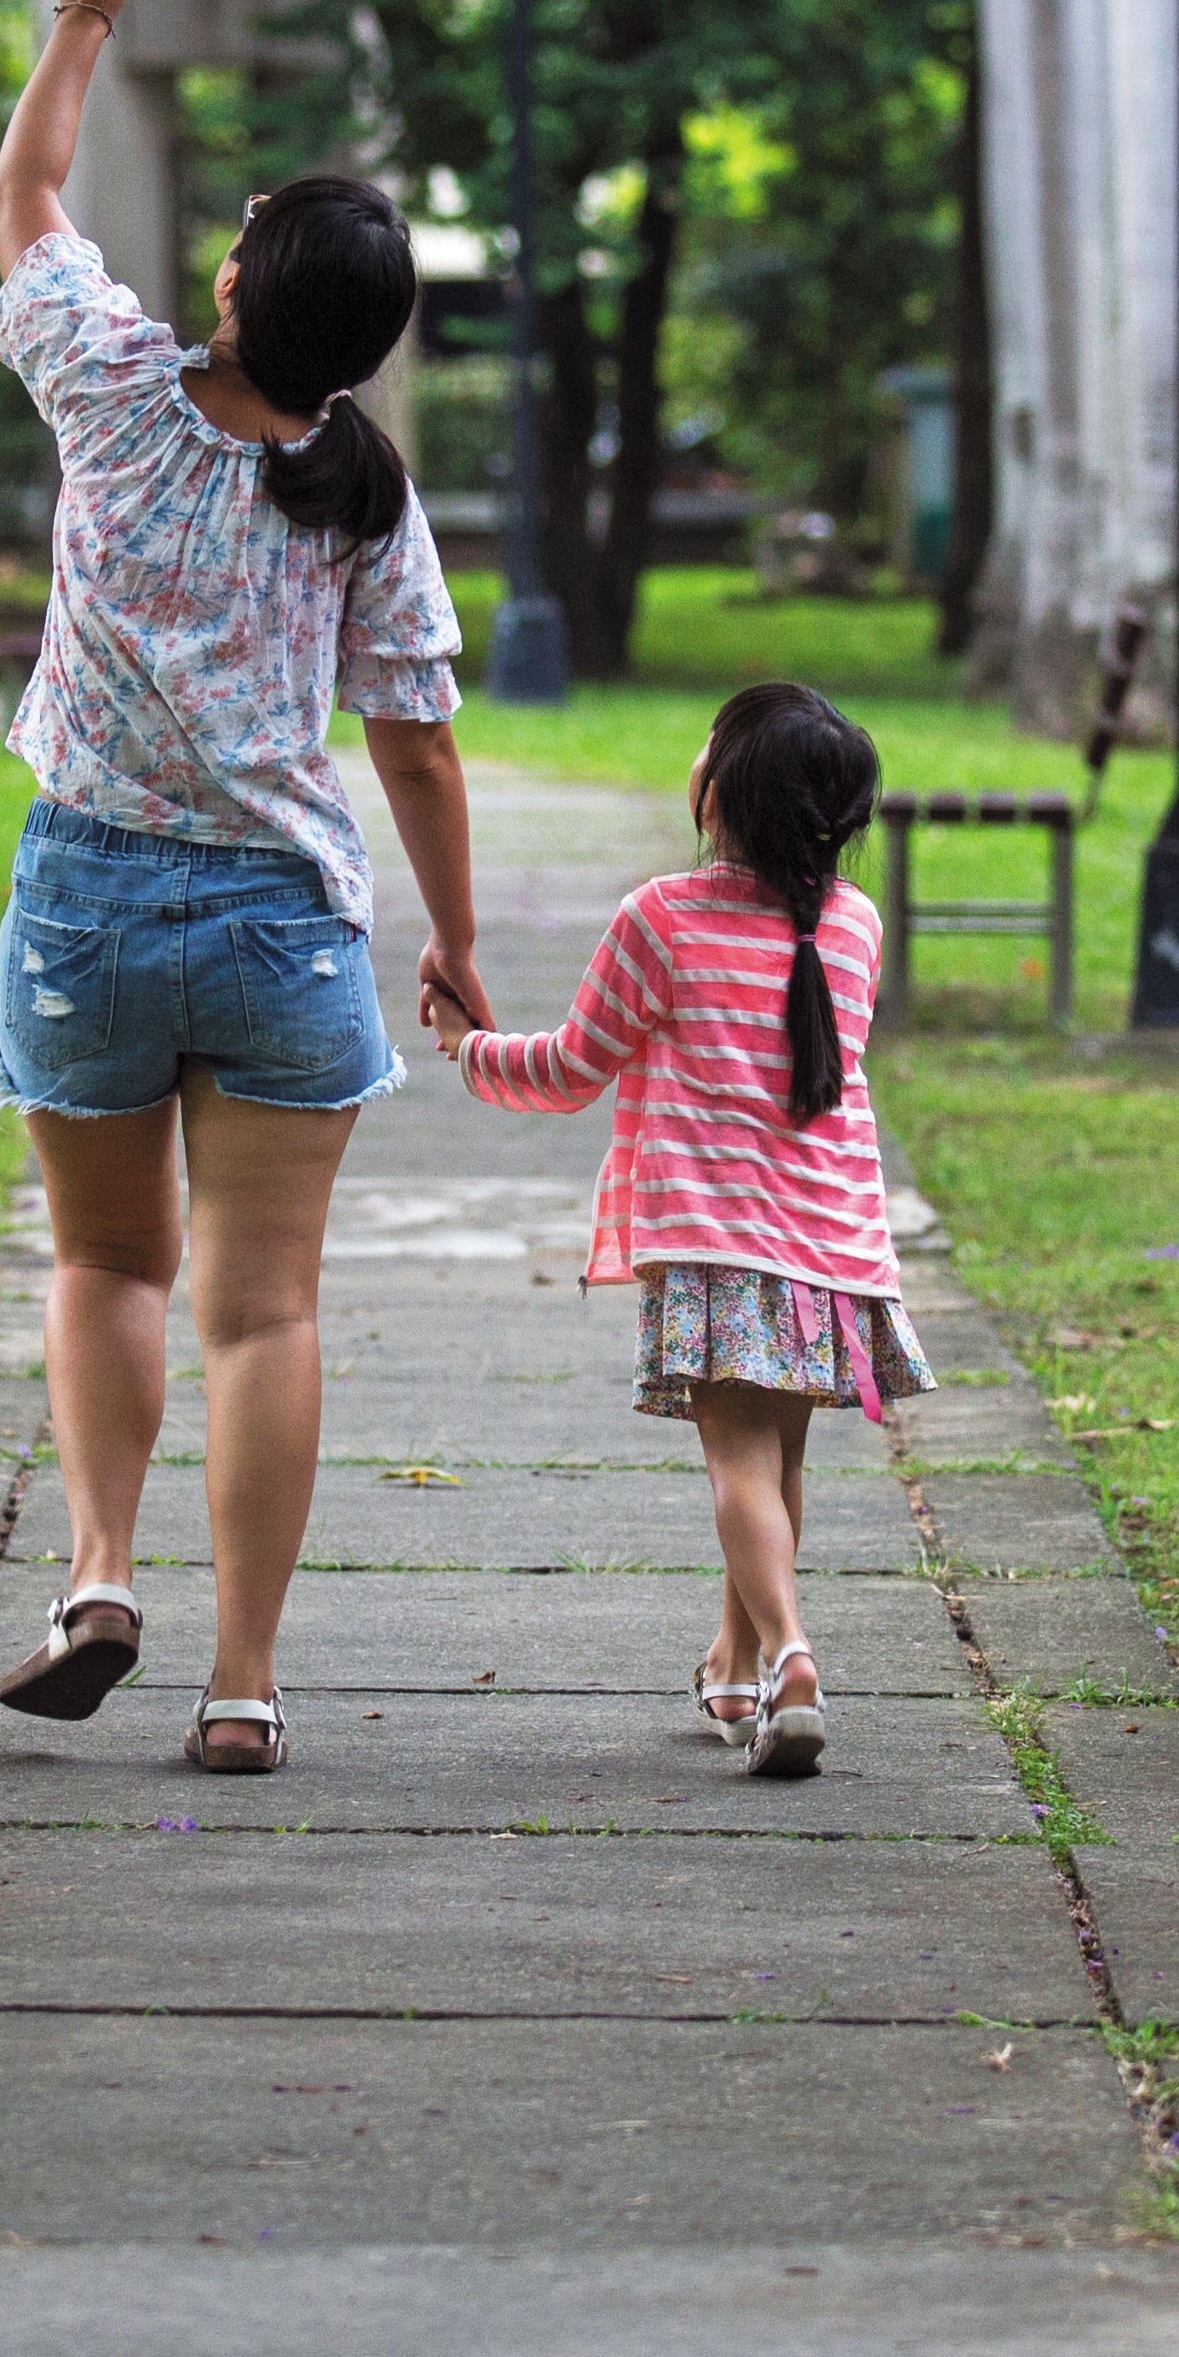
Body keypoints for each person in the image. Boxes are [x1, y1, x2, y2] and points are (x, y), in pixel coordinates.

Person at [0, 0, 486, 1776]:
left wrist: (86, 15)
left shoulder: (111, 389)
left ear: (233, 283)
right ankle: (244, 1685)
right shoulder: (367, 493)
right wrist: (447, 932)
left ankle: (99, 1571)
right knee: (263, 1313)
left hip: (88, 905)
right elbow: (419, 738)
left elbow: (28, 201)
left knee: (106, 1266)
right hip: (283, 923)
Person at [438, 681, 920, 1780]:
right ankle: (737, 1668)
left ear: (720, 795)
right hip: (830, 1250)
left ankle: (793, 1658)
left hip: (716, 1243)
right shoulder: (854, 926)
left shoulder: (663, 916)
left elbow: (570, 1067)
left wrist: (469, 1051)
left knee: (736, 1463)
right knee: (779, 1458)